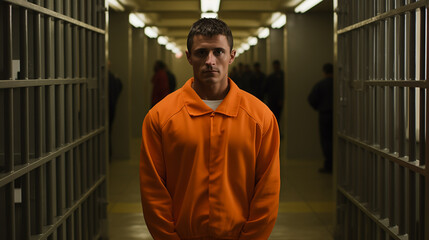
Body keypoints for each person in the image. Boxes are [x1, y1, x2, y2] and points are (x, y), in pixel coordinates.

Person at [140, 18, 280, 240]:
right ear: (189, 57)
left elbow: (267, 192)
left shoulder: (260, 118)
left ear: (232, 56)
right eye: (201, 53)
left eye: (218, 52)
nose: (210, 61)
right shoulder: (161, 117)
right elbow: (153, 191)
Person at [308, 63, 333, 173]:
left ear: (324, 72)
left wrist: (319, 107)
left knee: (326, 140)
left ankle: (328, 164)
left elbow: (311, 99)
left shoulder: (320, 84)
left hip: (324, 114)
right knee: (336, 141)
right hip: (337, 116)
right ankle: (337, 165)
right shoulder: (338, 84)